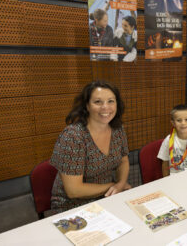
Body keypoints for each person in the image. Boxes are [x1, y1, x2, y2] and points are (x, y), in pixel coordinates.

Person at [50, 80, 131, 213]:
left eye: (111, 101)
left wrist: (121, 183)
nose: (105, 107)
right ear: (87, 106)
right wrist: (112, 185)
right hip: (73, 204)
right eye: (98, 102)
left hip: (107, 196)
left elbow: (123, 160)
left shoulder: (117, 128)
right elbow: (73, 191)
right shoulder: (73, 136)